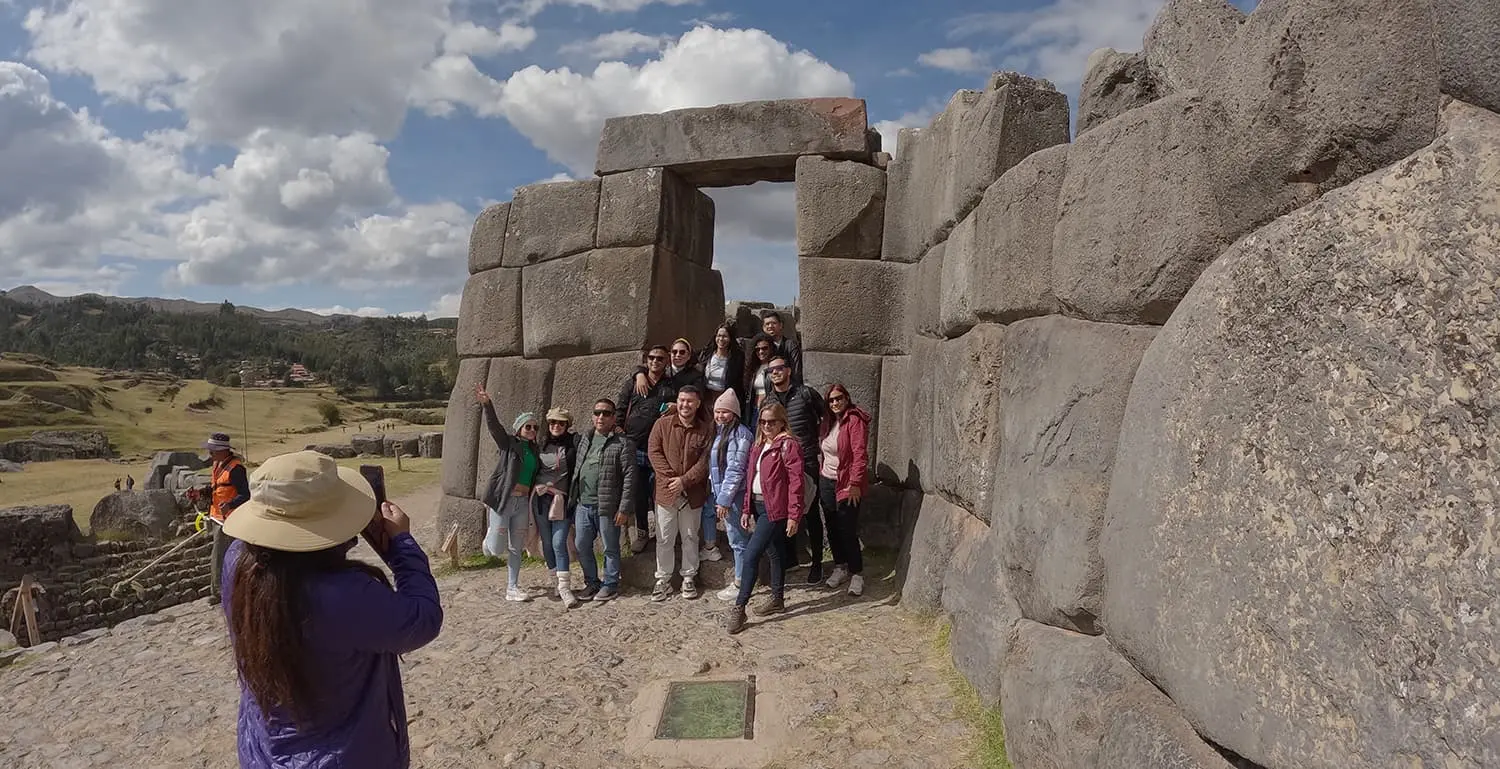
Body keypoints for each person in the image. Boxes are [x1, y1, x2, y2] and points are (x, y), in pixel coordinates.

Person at [221, 450, 442, 769]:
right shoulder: (344, 593)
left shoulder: (237, 562)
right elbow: (422, 618)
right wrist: (401, 546)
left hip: (263, 752)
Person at [725, 403, 804, 635]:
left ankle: (740, 607)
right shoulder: (759, 446)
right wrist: (747, 508)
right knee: (774, 551)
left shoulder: (788, 445)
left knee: (751, 555)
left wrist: (793, 514)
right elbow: (752, 478)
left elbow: (796, 483)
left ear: (781, 421)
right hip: (759, 505)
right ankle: (777, 598)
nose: (767, 425)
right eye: (763, 421)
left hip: (774, 508)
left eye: (771, 421)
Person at [761, 357, 826, 582]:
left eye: (779, 368)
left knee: (809, 511)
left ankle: (817, 563)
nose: (775, 373)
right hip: (779, 462)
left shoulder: (806, 394)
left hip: (806, 460)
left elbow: (825, 418)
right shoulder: (768, 400)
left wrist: (820, 446)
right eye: (771, 370)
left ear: (788, 370)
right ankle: (789, 561)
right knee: (783, 510)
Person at [646, 385, 713, 601]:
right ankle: (663, 580)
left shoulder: (705, 429)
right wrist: (670, 480)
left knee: (690, 536)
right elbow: (654, 452)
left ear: (698, 404)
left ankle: (688, 577)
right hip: (666, 493)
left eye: (690, 401)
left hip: (692, 493)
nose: (685, 405)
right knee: (664, 538)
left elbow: (705, 461)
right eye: (682, 400)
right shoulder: (662, 424)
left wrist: (685, 481)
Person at [476, 385, 542, 603]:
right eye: (527, 427)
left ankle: (512, 587)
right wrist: (487, 404)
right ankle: (488, 540)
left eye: (534, 427)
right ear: (518, 429)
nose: (532, 430)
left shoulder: (535, 450)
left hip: (522, 503)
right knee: (495, 549)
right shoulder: (509, 445)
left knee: (516, 547)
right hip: (504, 501)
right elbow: (494, 428)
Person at [570, 398, 638, 602]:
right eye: (597, 412)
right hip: (583, 503)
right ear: (592, 416)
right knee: (581, 545)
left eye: (606, 413)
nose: (601, 417)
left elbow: (630, 477)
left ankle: (610, 584)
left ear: (613, 417)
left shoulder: (623, 443)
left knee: (610, 547)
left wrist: (624, 508)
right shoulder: (584, 439)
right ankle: (591, 582)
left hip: (607, 505)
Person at [619, 345, 676, 554]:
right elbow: (620, 409)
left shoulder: (671, 386)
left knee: (660, 492)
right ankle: (642, 532)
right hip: (634, 444)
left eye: (660, 358)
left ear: (666, 361)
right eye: (651, 358)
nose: (655, 361)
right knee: (638, 492)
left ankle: (664, 534)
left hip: (660, 447)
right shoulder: (633, 383)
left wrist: (677, 406)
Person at [818, 384, 872, 597]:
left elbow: (860, 454)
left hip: (847, 482)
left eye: (838, 398)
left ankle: (857, 573)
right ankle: (840, 566)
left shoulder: (854, 420)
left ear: (847, 398)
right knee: (831, 525)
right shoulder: (828, 421)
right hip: (827, 479)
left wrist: (855, 483)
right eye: (831, 400)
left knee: (847, 528)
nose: (835, 403)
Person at [708, 390, 754, 600]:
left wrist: (724, 499)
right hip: (726, 494)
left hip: (734, 495)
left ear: (734, 413)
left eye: (724, 412)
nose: (720, 416)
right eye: (717, 412)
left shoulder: (740, 434)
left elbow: (736, 470)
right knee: (737, 538)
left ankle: (740, 582)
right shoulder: (722, 432)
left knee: (738, 540)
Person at [534, 407, 579, 607]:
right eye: (553, 422)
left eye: (561, 423)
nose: (556, 426)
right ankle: (554, 580)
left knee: (559, 541)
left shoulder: (574, 444)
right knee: (546, 542)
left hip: (561, 500)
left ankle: (564, 587)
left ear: (567, 425)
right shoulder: (539, 445)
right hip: (540, 500)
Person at [206, 432, 251, 605]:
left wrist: (231, 504)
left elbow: (245, 495)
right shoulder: (218, 465)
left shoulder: (236, 468)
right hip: (217, 518)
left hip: (229, 520)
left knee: (219, 556)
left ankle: (219, 592)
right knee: (220, 556)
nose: (210, 454)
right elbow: (218, 489)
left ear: (223, 450)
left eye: (213, 450)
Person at [698, 323, 744, 407]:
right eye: (719, 336)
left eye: (725, 336)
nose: (721, 339)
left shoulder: (737, 359)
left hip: (725, 398)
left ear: (730, 338)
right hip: (706, 398)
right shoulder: (706, 354)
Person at [744, 333, 776, 429]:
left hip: (770, 409)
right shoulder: (753, 368)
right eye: (757, 349)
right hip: (754, 410)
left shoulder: (775, 366)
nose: (761, 352)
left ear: (771, 348)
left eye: (764, 348)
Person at [761, 311, 803, 384]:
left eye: (773, 323)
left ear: (780, 325)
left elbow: (796, 372)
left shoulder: (790, 345)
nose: (770, 326)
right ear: (763, 328)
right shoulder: (760, 348)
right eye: (767, 324)